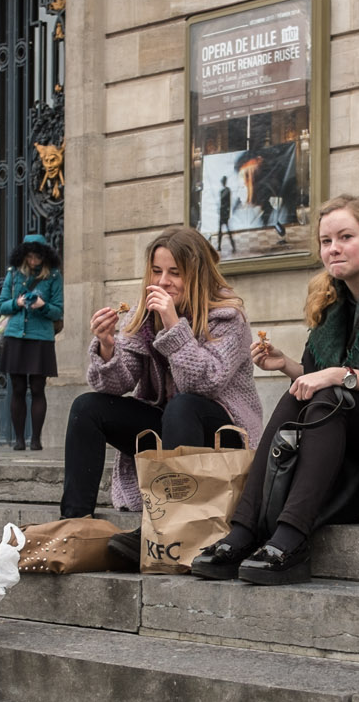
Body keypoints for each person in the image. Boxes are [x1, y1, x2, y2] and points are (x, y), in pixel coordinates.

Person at [188, 195, 359, 585]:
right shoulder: (332, 298)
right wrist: (288, 366)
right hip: (345, 430)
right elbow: (315, 377)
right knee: (298, 392)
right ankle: (244, 528)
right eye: (326, 241)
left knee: (326, 395)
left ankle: (291, 537)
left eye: (346, 237)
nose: (334, 248)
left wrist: (335, 375)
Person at [59, 227, 261, 567]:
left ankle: (167, 530)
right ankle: (76, 524)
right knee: (87, 407)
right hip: (170, 429)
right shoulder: (146, 317)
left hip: (220, 436)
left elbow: (205, 383)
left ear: (196, 275)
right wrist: (108, 346)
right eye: (157, 271)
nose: (163, 281)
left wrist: (172, 325)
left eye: (175, 273)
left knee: (183, 406)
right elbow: (116, 383)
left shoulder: (228, 318)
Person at [0, 234, 65, 450]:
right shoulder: (14, 275)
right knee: (17, 388)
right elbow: (2, 306)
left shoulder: (54, 276)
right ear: (24, 256)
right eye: (30, 257)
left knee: (37, 388)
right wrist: (17, 303)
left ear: (45, 257)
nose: (34, 261)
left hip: (41, 338)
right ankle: (19, 440)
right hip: (16, 336)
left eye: (37, 257)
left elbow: (58, 311)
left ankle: (36, 440)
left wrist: (42, 305)